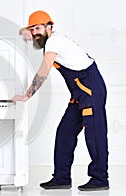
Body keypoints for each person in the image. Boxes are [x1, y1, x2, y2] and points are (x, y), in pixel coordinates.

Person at [12, 10, 109, 191]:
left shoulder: (54, 41)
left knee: (95, 134)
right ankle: (61, 178)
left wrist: (26, 96)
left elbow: (43, 72)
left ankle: (100, 178)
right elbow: (24, 34)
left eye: (38, 28)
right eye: (32, 30)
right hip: (80, 92)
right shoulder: (50, 42)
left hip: (90, 88)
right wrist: (24, 33)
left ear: (50, 26)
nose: (35, 33)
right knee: (65, 132)